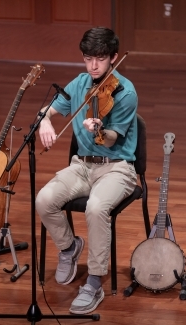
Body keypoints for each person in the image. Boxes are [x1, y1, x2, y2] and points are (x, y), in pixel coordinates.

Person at [36, 26, 138, 314]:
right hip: (82, 165)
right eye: (88, 58)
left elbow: (112, 139)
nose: (93, 66)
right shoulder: (80, 83)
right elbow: (50, 110)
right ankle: (69, 247)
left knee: (95, 208)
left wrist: (99, 130)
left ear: (114, 57)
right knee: (44, 200)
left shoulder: (125, 92)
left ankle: (94, 281)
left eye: (100, 59)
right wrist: (45, 121)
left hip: (117, 168)